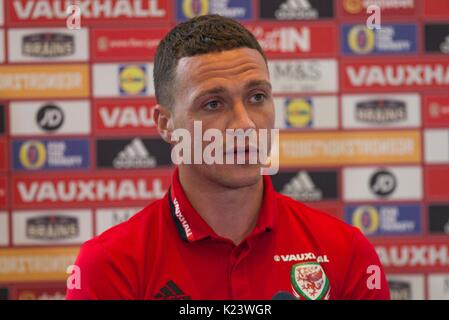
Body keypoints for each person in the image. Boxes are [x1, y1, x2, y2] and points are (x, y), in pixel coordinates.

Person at [66, 14, 390, 300]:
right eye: (213, 104)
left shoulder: (346, 251)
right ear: (166, 124)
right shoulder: (109, 266)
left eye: (257, 97)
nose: (245, 124)